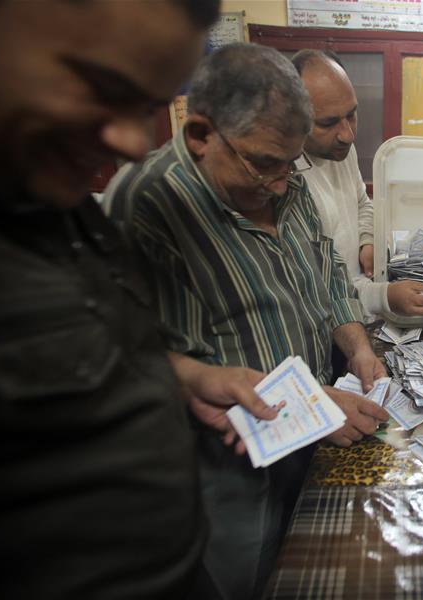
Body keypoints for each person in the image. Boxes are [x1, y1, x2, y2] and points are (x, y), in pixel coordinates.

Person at [0, 1, 284, 598]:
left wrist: (184, 375)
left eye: (147, 106)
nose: (135, 142)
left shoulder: (47, 200)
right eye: (101, 87)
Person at [104, 44, 390, 600]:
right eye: (263, 164)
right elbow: (165, 368)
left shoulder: (284, 175)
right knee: (245, 578)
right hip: (224, 467)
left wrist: (354, 345)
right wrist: (307, 402)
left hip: (310, 425)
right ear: (200, 135)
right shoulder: (151, 204)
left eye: (290, 163)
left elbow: (325, 276)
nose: (282, 184)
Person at [292, 49, 423, 320]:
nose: (348, 134)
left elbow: (361, 200)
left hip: (361, 305)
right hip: (330, 322)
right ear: (293, 116)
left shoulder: (342, 149)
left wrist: (367, 240)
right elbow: (320, 289)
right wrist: (385, 296)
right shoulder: (288, 180)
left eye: (351, 114)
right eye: (328, 123)